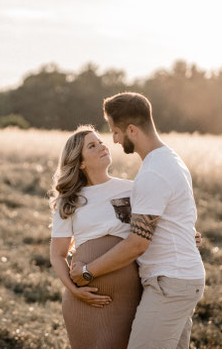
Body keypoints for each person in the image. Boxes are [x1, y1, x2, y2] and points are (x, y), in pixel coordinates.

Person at [70, 92, 206, 349]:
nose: (114, 140)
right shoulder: (170, 159)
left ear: (132, 130)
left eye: (116, 131)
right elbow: (177, 218)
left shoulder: (153, 172)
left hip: (170, 283)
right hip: (180, 279)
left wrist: (87, 272)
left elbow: (136, 244)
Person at [49, 125, 142, 349]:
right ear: (80, 162)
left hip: (126, 297)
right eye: (92, 146)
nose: (102, 146)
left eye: (101, 141)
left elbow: (153, 231)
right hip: (83, 303)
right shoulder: (69, 200)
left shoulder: (132, 189)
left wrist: (188, 236)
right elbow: (57, 254)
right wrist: (75, 291)